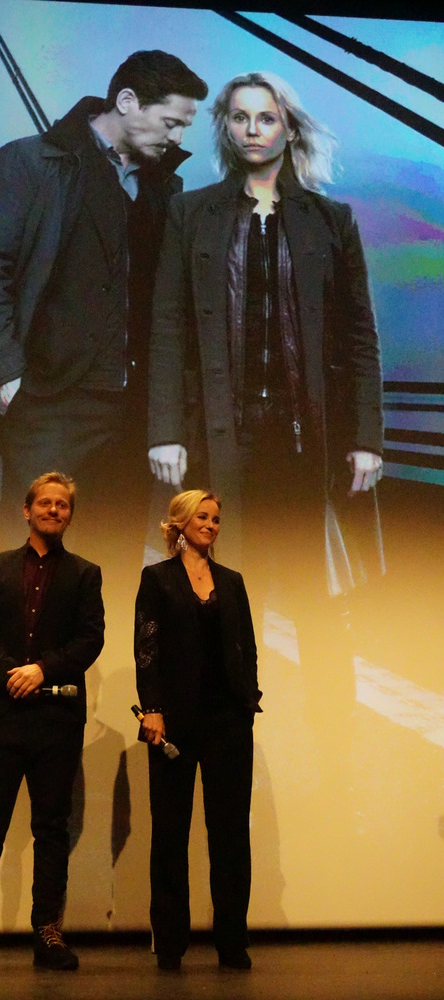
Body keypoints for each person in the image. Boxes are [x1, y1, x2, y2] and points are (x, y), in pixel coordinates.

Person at [147, 72, 384, 728]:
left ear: (289, 128)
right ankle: (225, 742)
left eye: (267, 117)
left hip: (303, 445)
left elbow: (359, 336)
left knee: (317, 603)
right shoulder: (191, 214)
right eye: (240, 117)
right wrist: (164, 428)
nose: (253, 129)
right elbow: (167, 326)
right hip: (220, 441)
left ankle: (335, 748)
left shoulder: (330, 221)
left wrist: (366, 438)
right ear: (225, 127)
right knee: (217, 601)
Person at [0, 50, 208, 535]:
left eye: (182, 127)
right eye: (171, 122)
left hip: (133, 413)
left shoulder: (164, 187)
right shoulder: (28, 162)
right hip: (47, 405)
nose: (177, 138)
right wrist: (5, 377)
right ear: (126, 101)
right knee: (33, 558)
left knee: (115, 556)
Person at [0, 471, 104, 974]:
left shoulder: (85, 573)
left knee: (51, 829)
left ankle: (48, 932)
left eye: (62, 505)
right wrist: (12, 674)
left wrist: (42, 671)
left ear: (69, 515)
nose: (54, 510)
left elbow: (90, 639)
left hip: (56, 720)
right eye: (46, 503)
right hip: (1, 715)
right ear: (27, 510)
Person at [135, 490, 262, 971]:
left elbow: (246, 644)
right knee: (170, 833)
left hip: (228, 722)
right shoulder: (157, 578)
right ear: (180, 524)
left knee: (230, 834)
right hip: (173, 723)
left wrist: (248, 701)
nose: (211, 524)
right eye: (202, 517)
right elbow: (146, 648)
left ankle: (232, 941)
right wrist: (152, 709)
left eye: (216, 519)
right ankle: (170, 943)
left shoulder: (232, 581)